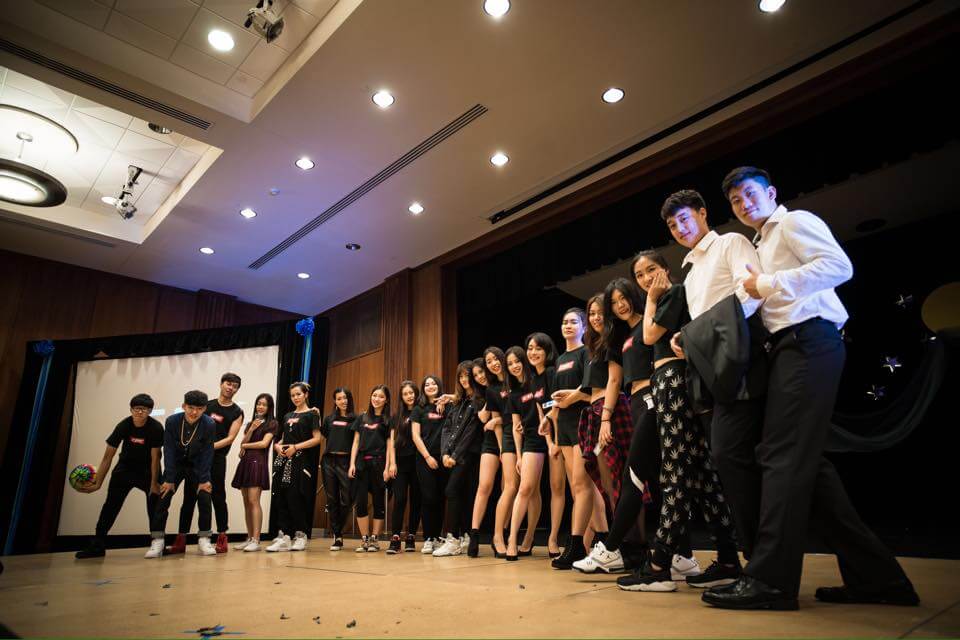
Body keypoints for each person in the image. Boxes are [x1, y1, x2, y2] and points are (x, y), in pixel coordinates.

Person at [701, 167, 918, 610]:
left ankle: (771, 583)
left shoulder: (794, 222)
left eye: (749, 194)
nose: (743, 205)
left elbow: (840, 266)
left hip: (808, 341)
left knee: (779, 457)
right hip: (790, 347)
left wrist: (768, 283)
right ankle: (879, 579)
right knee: (807, 468)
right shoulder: (761, 243)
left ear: (771, 193)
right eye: (736, 201)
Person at [611, 220, 739, 593]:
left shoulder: (674, 294)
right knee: (700, 473)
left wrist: (650, 299)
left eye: (651, 269)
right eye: (639, 275)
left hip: (672, 382)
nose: (646, 277)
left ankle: (659, 564)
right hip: (677, 384)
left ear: (665, 269)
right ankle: (729, 557)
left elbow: (651, 335)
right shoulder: (675, 295)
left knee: (675, 472)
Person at [541, 309, 598, 570]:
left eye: (573, 322)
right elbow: (556, 399)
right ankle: (588, 543)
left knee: (582, 484)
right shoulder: (560, 359)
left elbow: (588, 392)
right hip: (562, 425)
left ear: (583, 327)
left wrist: (571, 397)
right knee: (578, 490)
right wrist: (548, 418)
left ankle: (581, 544)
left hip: (581, 423)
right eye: (564, 322)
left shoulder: (586, 353)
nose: (568, 326)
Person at [75, 394, 163, 559]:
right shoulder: (124, 425)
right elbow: (108, 456)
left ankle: (157, 545)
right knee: (110, 506)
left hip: (148, 471)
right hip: (125, 469)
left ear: (150, 411)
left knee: (155, 509)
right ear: (131, 409)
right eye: (136, 408)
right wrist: (98, 483)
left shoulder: (156, 428)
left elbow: (155, 458)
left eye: (144, 409)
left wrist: (154, 483)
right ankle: (97, 546)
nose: (139, 412)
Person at [169, 373, 244, 555]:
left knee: (218, 497)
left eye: (234, 386)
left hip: (217, 459)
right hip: (196, 460)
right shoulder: (207, 405)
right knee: (190, 498)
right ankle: (181, 539)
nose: (230, 388)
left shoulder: (237, 412)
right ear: (221, 384)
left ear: (237, 389)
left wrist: (207, 448)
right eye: (228, 383)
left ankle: (222, 537)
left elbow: (230, 438)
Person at [145, 390, 216, 558]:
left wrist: (204, 479)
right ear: (183, 406)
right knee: (163, 497)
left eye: (199, 408)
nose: (194, 412)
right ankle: (157, 541)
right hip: (175, 465)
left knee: (205, 497)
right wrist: (169, 478)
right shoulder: (172, 421)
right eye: (190, 407)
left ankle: (204, 539)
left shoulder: (209, 424)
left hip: (198, 466)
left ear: (204, 409)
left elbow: (208, 451)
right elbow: (168, 449)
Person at [504, 341, 550, 560]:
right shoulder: (513, 394)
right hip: (532, 440)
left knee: (538, 491)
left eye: (517, 361)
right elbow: (515, 427)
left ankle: (529, 538)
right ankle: (512, 539)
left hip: (553, 435)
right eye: (510, 364)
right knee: (526, 489)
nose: (514, 366)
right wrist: (519, 456)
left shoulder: (539, 379)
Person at [432, 361, 482, 557]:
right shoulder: (458, 402)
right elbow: (447, 428)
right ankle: (464, 536)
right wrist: (444, 453)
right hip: (453, 456)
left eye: (467, 376)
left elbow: (470, 432)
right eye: (460, 376)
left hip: (468, 455)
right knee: (460, 493)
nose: (464, 380)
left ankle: (452, 538)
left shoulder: (478, 401)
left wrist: (455, 455)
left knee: (453, 490)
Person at [266, 382, 322, 552]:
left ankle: (301, 534)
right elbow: (284, 437)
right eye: (293, 395)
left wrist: (296, 447)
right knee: (281, 496)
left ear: (305, 394)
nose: (295, 398)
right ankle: (284, 536)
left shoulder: (312, 414)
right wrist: (277, 446)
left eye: (298, 394)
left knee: (295, 496)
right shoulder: (287, 415)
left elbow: (317, 438)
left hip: (300, 460)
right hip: (284, 460)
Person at [230, 393, 277, 552]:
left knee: (253, 500)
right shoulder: (251, 423)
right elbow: (242, 443)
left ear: (269, 407)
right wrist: (251, 430)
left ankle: (256, 540)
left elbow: (264, 444)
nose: (260, 407)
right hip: (246, 463)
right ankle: (249, 537)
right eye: (258, 403)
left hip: (258, 462)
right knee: (246, 502)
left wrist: (246, 446)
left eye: (264, 404)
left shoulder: (272, 423)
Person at [348, 385, 391, 552]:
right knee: (361, 502)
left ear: (386, 399)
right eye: (374, 395)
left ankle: (375, 539)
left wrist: (387, 467)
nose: (376, 399)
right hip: (362, 464)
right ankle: (364, 539)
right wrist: (352, 464)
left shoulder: (388, 420)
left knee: (379, 502)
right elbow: (356, 442)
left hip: (379, 463)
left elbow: (389, 445)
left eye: (381, 396)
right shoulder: (362, 418)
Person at [386, 381, 422, 554]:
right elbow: (392, 442)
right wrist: (392, 463)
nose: (410, 396)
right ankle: (395, 538)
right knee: (399, 499)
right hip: (400, 463)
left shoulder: (421, 411)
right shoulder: (396, 416)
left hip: (417, 462)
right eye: (406, 393)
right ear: (401, 397)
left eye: (412, 392)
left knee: (416, 500)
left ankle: (411, 536)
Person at [412, 376, 446, 554]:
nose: (430, 386)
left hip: (444, 459)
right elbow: (415, 436)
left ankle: (438, 537)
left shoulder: (446, 406)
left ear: (439, 386)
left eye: (433, 383)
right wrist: (427, 457)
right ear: (423, 388)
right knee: (429, 497)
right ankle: (428, 538)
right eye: (427, 384)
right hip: (425, 459)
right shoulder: (419, 409)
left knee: (441, 498)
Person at [321, 387, 356, 551]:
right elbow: (325, 436)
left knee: (347, 499)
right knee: (331, 499)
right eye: (340, 398)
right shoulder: (328, 419)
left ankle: (338, 528)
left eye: (345, 397)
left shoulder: (355, 419)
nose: (343, 401)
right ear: (335, 401)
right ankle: (337, 535)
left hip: (346, 461)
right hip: (329, 461)